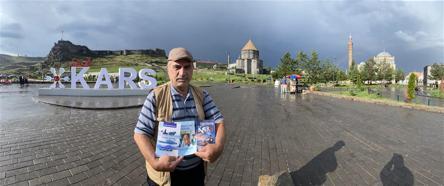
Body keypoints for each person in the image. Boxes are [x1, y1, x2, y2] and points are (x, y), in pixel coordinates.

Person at [134, 47, 225, 186]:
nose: (182, 72)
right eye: (177, 67)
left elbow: (219, 122)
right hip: (165, 176)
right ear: (168, 68)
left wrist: (217, 147)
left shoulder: (202, 95)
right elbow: (140, 134)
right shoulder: (156, 96)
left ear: (192, 69)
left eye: (187, 67)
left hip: (195, 172)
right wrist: (155, 162)